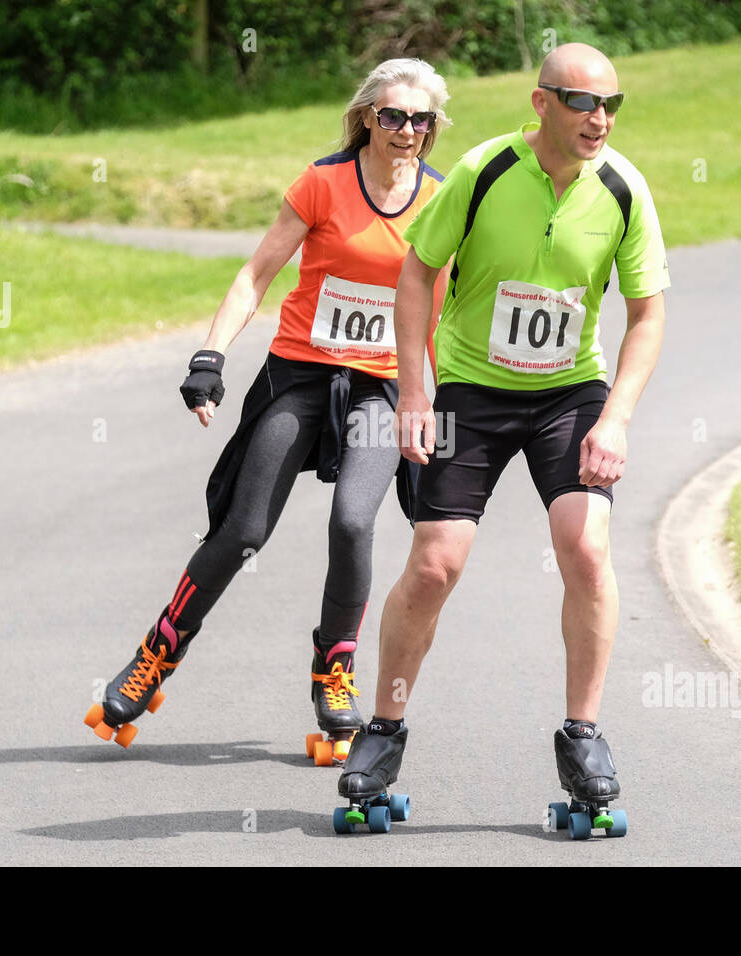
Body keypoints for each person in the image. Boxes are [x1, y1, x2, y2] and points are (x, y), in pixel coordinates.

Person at [337, 43, 669, 832]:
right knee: (434, 564)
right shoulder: (484, 170)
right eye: (584, 102)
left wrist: (615, 417)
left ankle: (584, 734)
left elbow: (647, 311)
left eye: (612, 105)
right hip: (473, 390)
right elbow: (416, 271)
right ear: (542, 102)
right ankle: (383, 731)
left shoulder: (623, 187)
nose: (601, 119)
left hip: (569, 393)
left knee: (585, 546)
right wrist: (414, 391)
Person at [84, 59, 451, 763]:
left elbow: (445, 313)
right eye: (393, 116)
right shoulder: (323, 183)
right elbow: (256, 276)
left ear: (433, 129)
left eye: (421, 119)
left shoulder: (441, 201)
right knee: (242, 530)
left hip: (377, 387)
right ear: (367, 118)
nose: (406, 130)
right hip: (301, 375)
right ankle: (156, 655)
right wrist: (209, 358)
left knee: (352, 523)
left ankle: (334, 670)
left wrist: (442, 399)